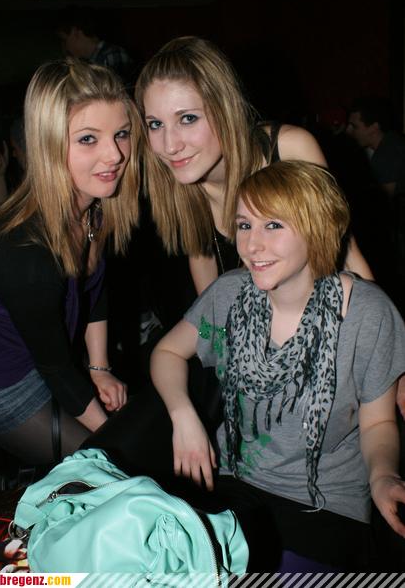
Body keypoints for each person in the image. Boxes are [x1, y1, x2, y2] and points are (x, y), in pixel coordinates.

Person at [149, 161, 405, 571]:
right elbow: (167, 353)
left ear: (317, 228)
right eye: (244, 225)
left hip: (324, 503)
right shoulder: (229, 293)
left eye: (273, 225)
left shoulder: (368, 313)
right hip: (232, 483)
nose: (252, 244)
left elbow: (378, 423)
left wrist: (382, 477)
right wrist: (183, 417)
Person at [134, 35, 373, 296]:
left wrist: (379, 318)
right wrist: (210, 323)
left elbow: (348, 255)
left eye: (188, 119)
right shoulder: (181, 175)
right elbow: (203, 265)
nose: (169, 146)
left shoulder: (290, 149)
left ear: (225, 110)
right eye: (155, 124)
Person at [0, 58, 140, 465]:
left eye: (121, 134)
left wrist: (99, 368)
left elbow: (95, 289)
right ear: (49, 145)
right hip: (10, 385)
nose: (115, 155)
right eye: (88, 139)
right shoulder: (23, 249)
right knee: (116, 467)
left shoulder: (94, 208)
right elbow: (55, 368)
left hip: (59, 363)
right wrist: (118, 440)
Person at [56, 6, 135, 89]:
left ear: (75, 32)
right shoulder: (87, 62)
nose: (64, 47)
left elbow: (120, 93)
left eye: (64, 40)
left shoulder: (112, 55)